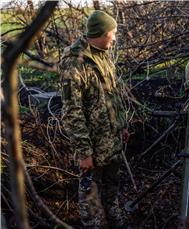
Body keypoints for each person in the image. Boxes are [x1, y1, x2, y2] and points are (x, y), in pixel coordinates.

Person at [59, 10, 130, 228]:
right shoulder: (74, 62)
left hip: (113, 140)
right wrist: (84, 152)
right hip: (93, 145)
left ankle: (114, 217)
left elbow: (113, 94)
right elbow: (72, 111)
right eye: (113, 33)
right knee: (90, 194)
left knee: (112, 187)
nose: (115, 37)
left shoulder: (103, 53)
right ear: (100, 33)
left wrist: (122, 125)